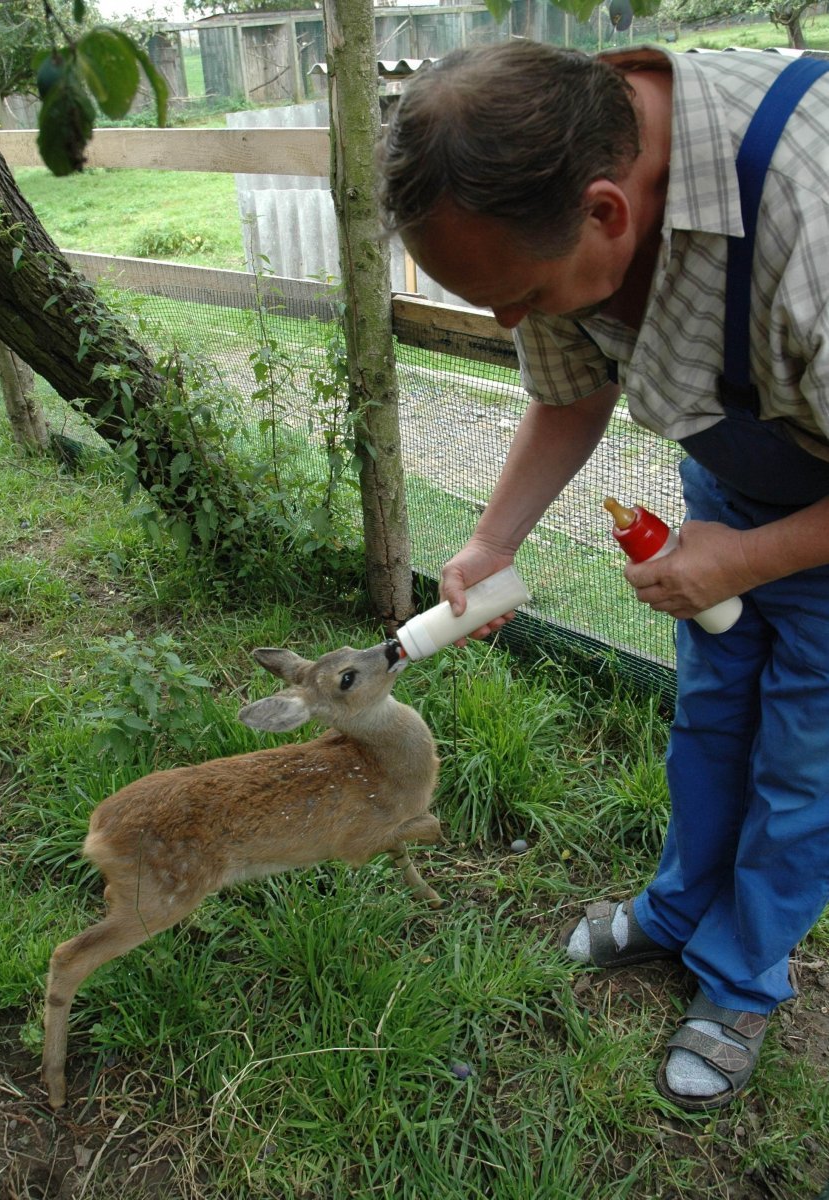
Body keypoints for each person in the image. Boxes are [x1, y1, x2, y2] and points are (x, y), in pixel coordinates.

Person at [376, 39, 829, 1111]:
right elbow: (572, 389)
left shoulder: (810, 219)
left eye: (518, 294)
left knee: (804, 768)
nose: (504, 322)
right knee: (713, 715)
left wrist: (758, 558)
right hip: (738, 482)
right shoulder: (553, 191)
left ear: (606, 212)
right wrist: (494, 542)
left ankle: (740, 978)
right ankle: (677, 911)